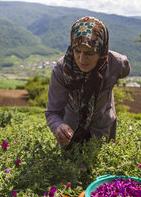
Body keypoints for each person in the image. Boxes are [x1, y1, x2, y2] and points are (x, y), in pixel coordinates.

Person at [45, 16, 130, 149]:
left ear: (101, 51)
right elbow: (52, 111)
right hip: (72, 128)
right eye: (77, 51)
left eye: (89, 53)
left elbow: (125, 71)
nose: (81, 59)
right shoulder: (62, 69)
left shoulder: (117, 63)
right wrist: (59, 126)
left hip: (103, 125)